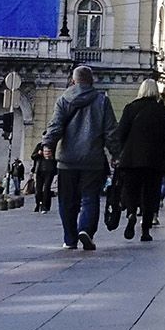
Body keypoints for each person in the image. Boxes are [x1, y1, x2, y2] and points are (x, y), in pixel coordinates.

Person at [41, 66, 119, 250]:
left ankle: (69, 238)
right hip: (93, 160)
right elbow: (110, 132)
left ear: (73, 80)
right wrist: (116, 154)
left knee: (67, 201)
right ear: (91, 81)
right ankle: (85, 230)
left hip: (67, 160)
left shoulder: (63, 100)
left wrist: (48, 145)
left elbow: (55, 126)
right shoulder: (102, 101)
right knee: (90, 198)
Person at [112, 80, 165, 241]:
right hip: (154, 162)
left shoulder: (130, 108)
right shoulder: (161, 111)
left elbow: (120, 134)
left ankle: (130, 214)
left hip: (131, 160)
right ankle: (145, 230)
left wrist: (117, 154)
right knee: (151, 194)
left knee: (131, 189)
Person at [31, 144, 57, 213]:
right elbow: (33, 156)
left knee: (46, 189)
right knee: (38, 190)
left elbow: (57, 158)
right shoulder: (39, 145)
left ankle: (45, 206)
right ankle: (38, 204)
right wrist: (38, 154)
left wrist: (52, 156)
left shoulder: (53, 146)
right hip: (39, 170)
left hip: (50, 170)